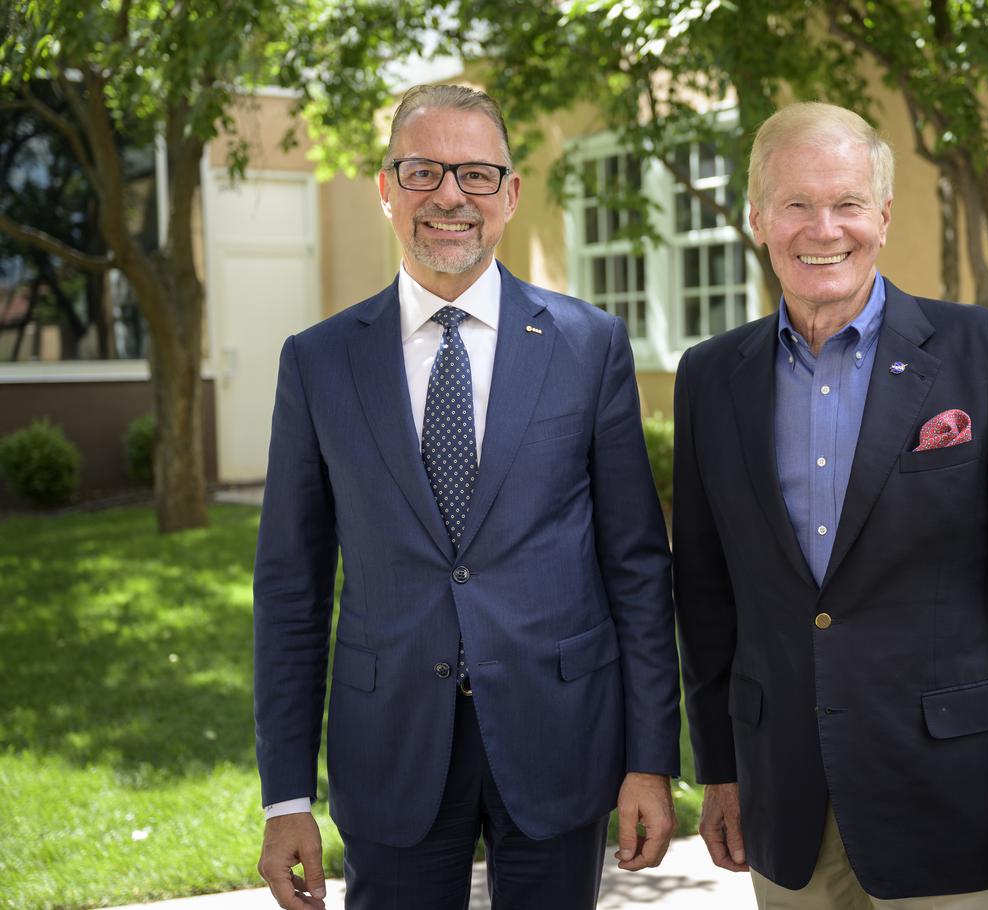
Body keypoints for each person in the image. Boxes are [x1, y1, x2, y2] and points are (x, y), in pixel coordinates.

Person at [252, 84, 680, 910]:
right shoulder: (319, 362)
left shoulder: (589, 344)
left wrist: (650, 757)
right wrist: (286, 796)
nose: (450, 195)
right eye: (422, 170)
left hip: (562, 737)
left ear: (511, 195)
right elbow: (290, 591)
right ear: (385, 189)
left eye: (477, 174)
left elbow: (636, 566)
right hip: (391, 749)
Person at [672, 101, 988, 909]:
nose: (822, 227)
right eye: (796, 203)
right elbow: (707, 593)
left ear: (884, 216)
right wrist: (720, 768)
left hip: (956, 796)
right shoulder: (710, 377)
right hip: (787, 796)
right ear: (759, 217)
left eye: (847, 203)